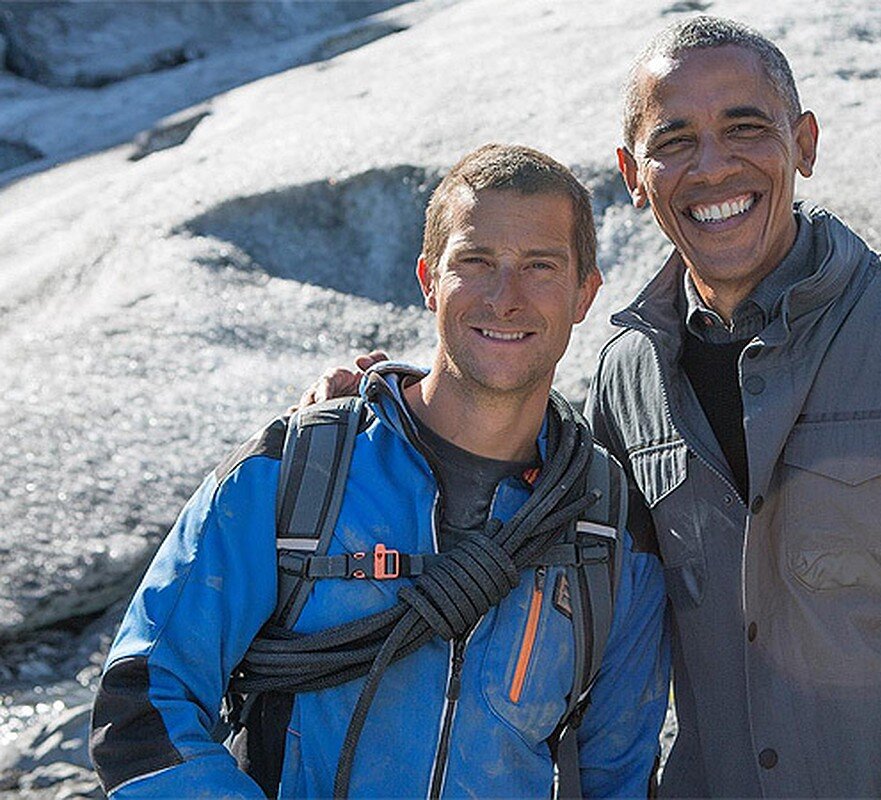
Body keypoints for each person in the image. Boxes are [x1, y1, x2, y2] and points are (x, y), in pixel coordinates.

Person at [302, 16, 881, 799]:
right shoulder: (628, 375)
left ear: (806, 143)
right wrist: (378, 419)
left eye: (746, 128)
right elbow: (552, 580)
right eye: (675, 140)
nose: (713, 168)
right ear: (633, 176)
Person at [89, 144, 669, 798]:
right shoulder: (295, 474)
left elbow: (618, 780)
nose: (506, 298)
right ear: (427, 280)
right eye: (475, 262)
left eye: (540, 266)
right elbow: (144, 701)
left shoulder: (607, 532)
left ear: (585, 292)